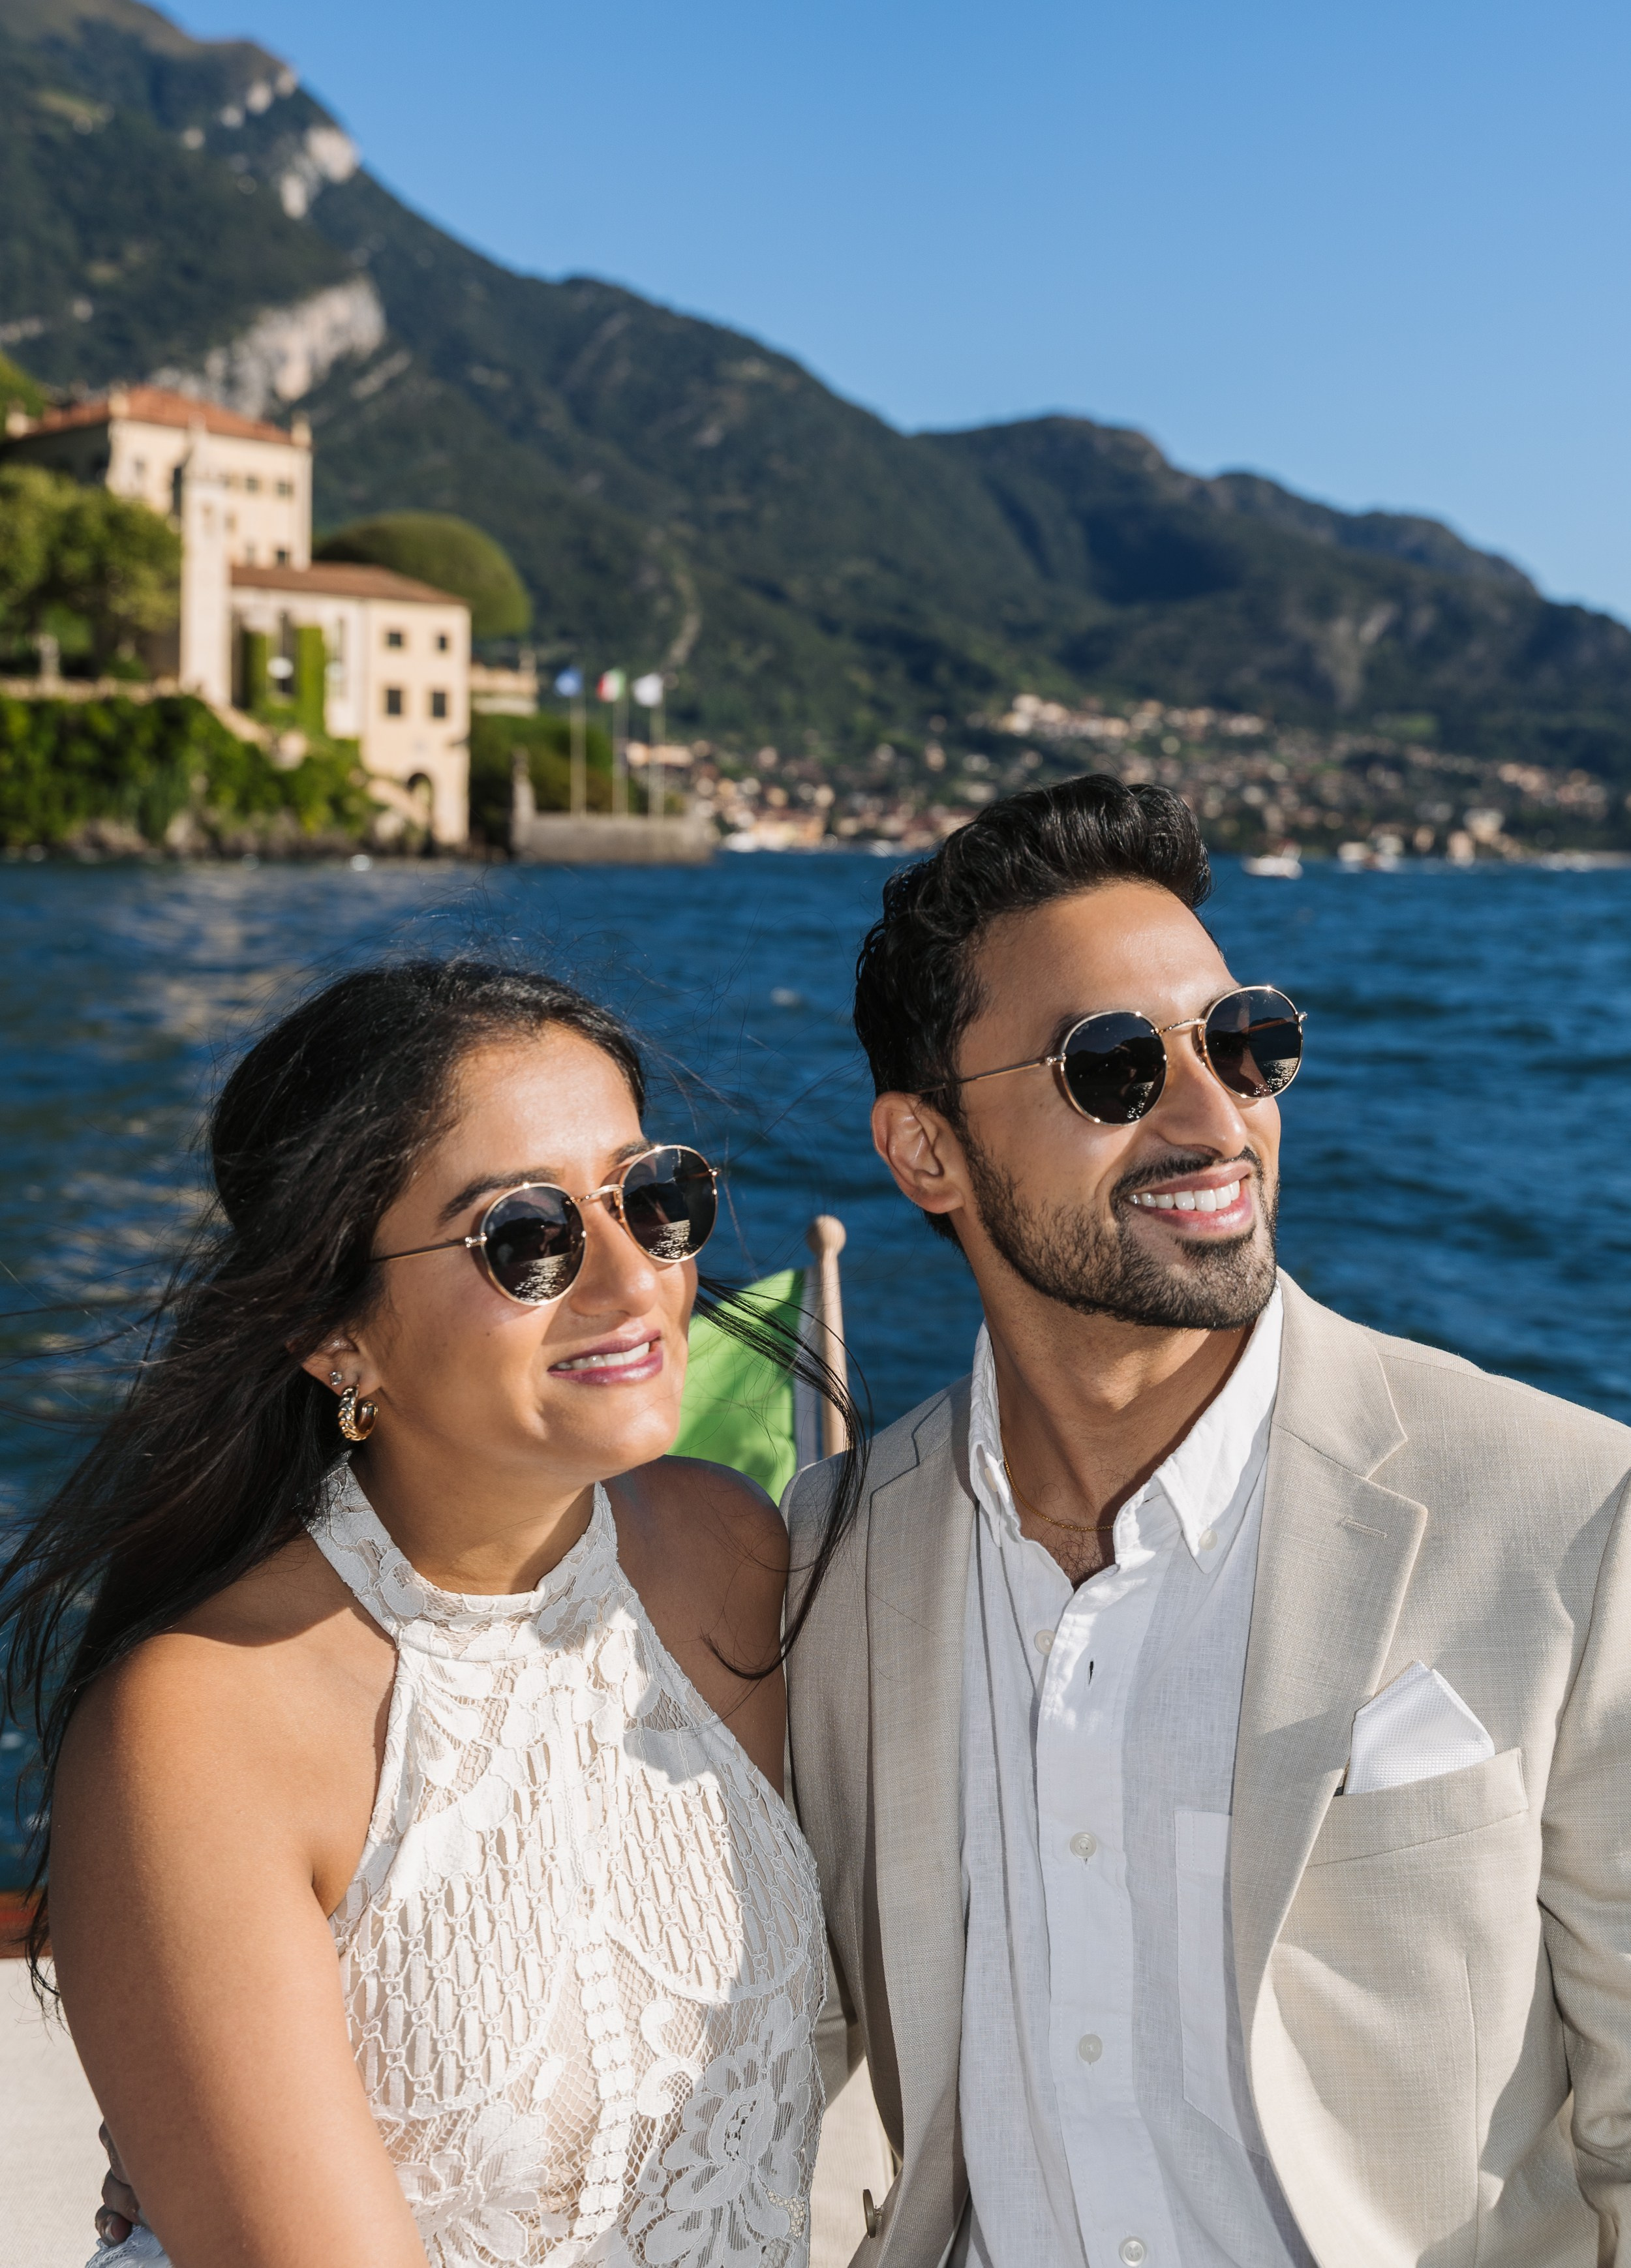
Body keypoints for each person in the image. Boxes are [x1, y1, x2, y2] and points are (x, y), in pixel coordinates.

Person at [785, 774, 1631, 2268]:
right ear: (923, 1156)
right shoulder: (831, 1564)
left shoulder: (1569, 1519)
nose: (1212, 1116)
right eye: (1110, 1067)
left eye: (1245, 1045)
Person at [3, 959, 834, 2267]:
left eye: (652, 1198)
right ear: (338, 1336)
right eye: (526, 1237)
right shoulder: (207, 1724)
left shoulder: (724, 1549)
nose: (632, 1280)